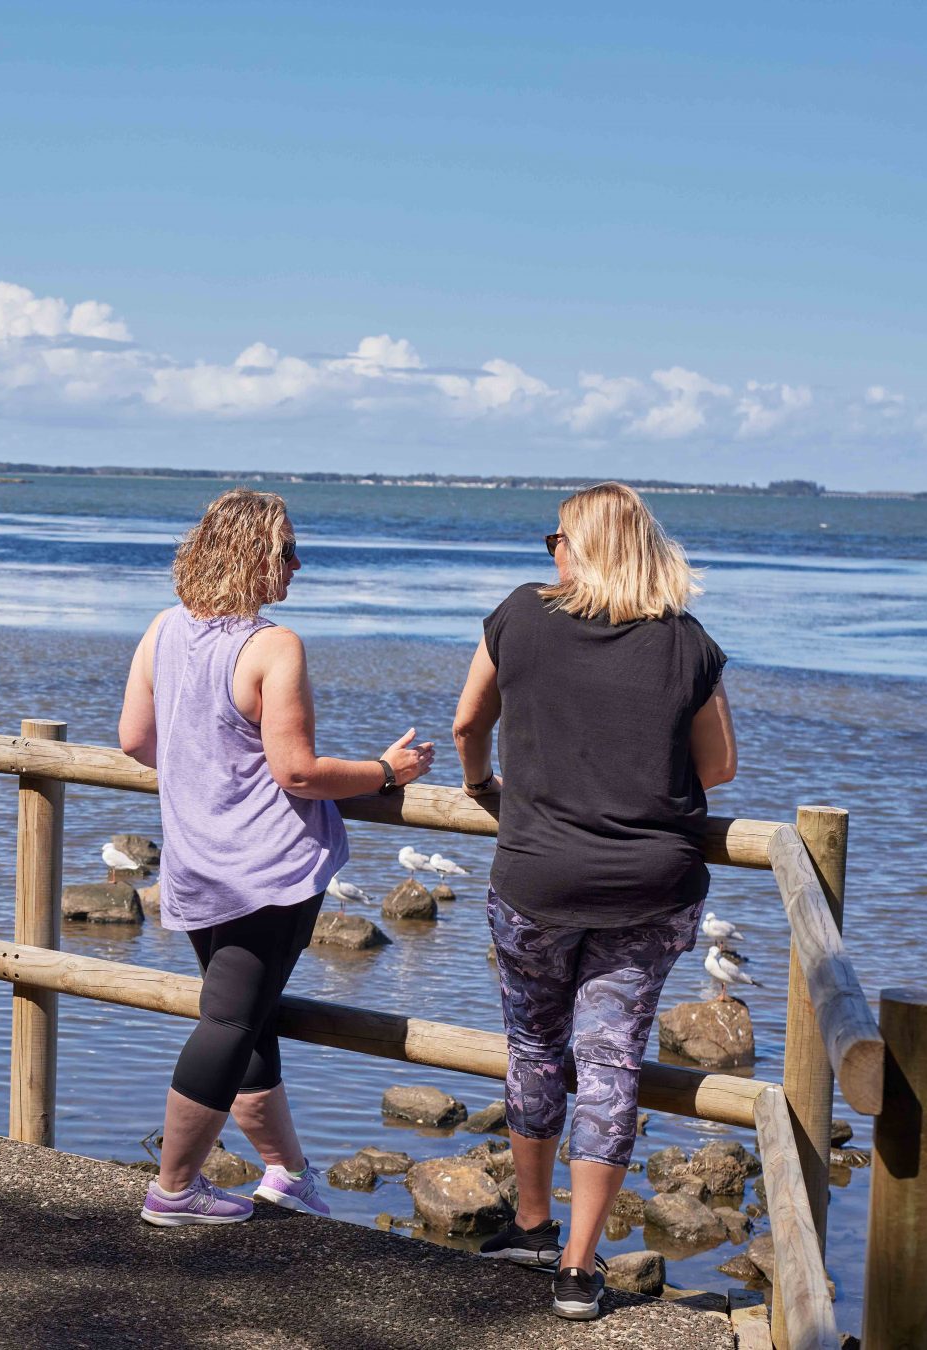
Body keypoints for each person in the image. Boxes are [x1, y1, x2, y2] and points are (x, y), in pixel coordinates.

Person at [451, 482, 737, 1320]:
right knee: (611, 1064)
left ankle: (534, 1223)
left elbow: (469, 724)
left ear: (581, 547)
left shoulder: (518, 615)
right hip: (647, 891)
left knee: (534, 1048)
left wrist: (483, 788)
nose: (552, 553)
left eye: (557, 538)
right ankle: (579, 1268)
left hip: (535, 880)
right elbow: (717, 769)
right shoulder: (686, 643)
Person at [118, 488, 434, 1227]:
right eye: (288, 549)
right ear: (257, 558)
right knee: (229, 1024)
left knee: (245, 1018)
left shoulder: (162, 628)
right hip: (267, 866)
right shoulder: (273, 645)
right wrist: (386, 772)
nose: (298, 563)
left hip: (197, 857)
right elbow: (297, 772)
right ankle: (173, 1188)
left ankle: (287, 1173)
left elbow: (136, 740)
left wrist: (204, 766)